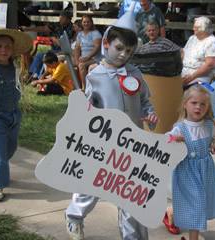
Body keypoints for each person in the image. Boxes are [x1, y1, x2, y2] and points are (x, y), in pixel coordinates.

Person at [65, 5, 159, 240]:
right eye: (119, 48)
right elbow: (87, 110)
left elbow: (146, 101)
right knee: (94, 184)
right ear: (106, 43)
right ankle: (74, 216)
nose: (123, 55)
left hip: (133, 144)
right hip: (104, 143)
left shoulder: (135, 74)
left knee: (130, 192)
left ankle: (132, 236)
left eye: (128, 51)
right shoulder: (95, 76)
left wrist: (151, 115)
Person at [166, 83, 215, 240]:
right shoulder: (180, 128)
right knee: (196, 204)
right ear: (185, 104)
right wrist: (173, 139)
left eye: (203, 104)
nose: (198, 107)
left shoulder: (209, 124)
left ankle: (171, 213)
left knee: (196, 203)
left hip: (205, 171)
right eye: (194, 103)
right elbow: (165, 140)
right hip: (187, 173)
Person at [0, 28, 33, 201]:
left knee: (9, 148)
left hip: (14, 113)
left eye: (8, 46)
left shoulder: (13, 65)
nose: (3, 50)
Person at [19, 10, 75, 80]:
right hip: (53, 50)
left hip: (63, 51)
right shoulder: (56, 25)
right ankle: (33, 75)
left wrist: (56, 41)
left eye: (63, 18)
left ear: (68, 20)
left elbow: (69, 44)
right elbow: (43, 28)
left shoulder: (72, 29)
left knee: (47, 57)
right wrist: (28, 29)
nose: (61, 19)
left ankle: (41, 77)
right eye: (61, 17)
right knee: (38, 56)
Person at [182, 17, 215, 86]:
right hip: (185, 73)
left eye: (196, 27)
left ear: (203, 29)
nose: (193, 29)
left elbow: (209, 65)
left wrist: (192, 76)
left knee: (192, 89)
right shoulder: (192, 38)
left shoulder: (211, 42)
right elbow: (183, 54)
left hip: (202, 76)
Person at [74, 15, 102, 91]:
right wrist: (76, 59)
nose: (86, 24)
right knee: (68, 62)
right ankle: (73, 84)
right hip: (83, 57)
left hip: (94, 58)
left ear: (91, 23)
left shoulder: (96, 33)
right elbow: (77, 48)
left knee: (82, 65)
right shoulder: (80, 34)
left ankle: (84, 87)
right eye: (84, 22)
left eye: (88, 22)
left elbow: (97, 47)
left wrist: (88, 57)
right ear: (82, 23)